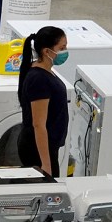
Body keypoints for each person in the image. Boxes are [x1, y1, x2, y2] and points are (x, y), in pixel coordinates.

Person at [17, 26, 69, 177]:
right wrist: (45, 164)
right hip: (38, 150)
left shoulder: (43, 70)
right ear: (47, 51)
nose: (65, 51)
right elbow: (38, 124)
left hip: (47, 146)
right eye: (62, 48)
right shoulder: (39, 79)